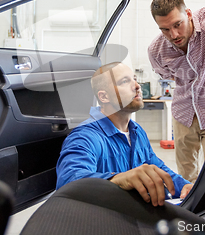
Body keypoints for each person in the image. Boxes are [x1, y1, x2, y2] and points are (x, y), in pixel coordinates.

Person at [56, 62, 193, 207]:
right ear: (104, 97)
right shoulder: (85, 137)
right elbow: (68, 182)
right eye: (125, 81)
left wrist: (183, 186)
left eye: (134, 79)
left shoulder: (136, 131)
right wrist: (118, 180)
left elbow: (156, 166)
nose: (137, 86)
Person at [148, 0, 205, 183]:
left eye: (177, 25)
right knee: (186, 176)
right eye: (165, 29)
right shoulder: (156, 50)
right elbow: (166, 76)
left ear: (188, 13)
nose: (174, 35)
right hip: (183, 115)